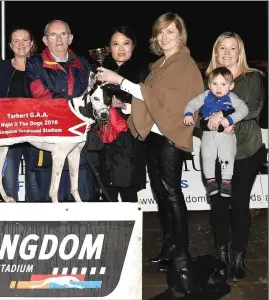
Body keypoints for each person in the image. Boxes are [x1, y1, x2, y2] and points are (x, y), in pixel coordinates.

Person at [96, 13, 204, 296]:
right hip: (156, 135)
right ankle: (171, 249)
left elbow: (165, 102)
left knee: (172, 195)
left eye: (170, 32)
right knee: (161, 193)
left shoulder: (183, 64)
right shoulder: (161, 64)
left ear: (180, 35)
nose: (165, 37)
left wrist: (119, 79)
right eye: (160, 33)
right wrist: (127, 107)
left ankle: (182, 261)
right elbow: (152, 102)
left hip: (170, 137)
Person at [204, 32, 267, 284]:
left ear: (240, 51)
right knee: (218, 204)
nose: (227, 53)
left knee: (239, 204)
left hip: (245, 151)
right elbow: (198, 111)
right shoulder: (210, 79)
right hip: (217, 152)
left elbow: (253, 108)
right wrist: (206, 120)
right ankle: (221, 257)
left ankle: (239, 257)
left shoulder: (253, 78)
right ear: (216, 52)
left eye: (233, 48)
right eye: (222, 48)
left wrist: (223, 117)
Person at [24, 19, 99, 202]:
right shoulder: (34, 64)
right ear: (45, 40)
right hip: (48, 146)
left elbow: (91, 99)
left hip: (79, 147)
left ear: (70, 38)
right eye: (53, 35)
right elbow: (40, 96)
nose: (59, 39)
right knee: (49, 208)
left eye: (63, 34)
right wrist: (76, 105)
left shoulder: (83, 64)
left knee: (82, 202)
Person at [98, 26, 149, 203]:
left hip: (129, 139)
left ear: (133, 46)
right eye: (116, 44)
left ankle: (134, 232)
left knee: (128, 192)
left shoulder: (144, 72)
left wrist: (124, 105)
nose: (121, 49)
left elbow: (150, 104)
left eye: (126, 44)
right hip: (103, 140)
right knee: (105, 193)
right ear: (108, 48)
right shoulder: (99, 71)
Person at [184, 67, 248, 198]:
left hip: (226, 133)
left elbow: (244, 109)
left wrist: (230, 119)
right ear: (209, 85)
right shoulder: (205, 95)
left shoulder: (232, 97)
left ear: (231, 86)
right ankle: (211, 182)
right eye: (215, 84)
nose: (219, 88)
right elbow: (192, 103)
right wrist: (189, 114)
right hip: (208, 133)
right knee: (207, 156)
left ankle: (226, 184)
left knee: (227, 157)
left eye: (223, 84)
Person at [0, 27, 37, 202]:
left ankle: (37, 226)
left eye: (25, 40)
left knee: (35, 183)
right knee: (9, 184)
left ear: (31, 43)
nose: (21, 44)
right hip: (9, 134)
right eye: (16, 41)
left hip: (35, 134)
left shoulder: (40, 67)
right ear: (10, 45)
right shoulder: (1, 68)